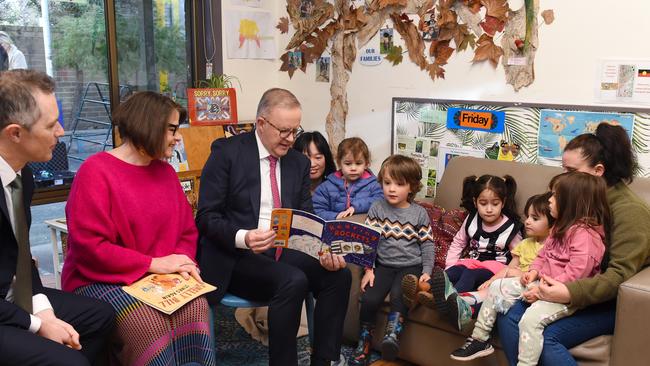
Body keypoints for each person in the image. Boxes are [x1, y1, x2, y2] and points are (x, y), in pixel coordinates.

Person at [196, 88, 352, 366]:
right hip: (237, 256)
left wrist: (324, 249)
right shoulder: (227, 154)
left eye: (295, 130)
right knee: (293, 281)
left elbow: (306, 216)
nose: (291, 139)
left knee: (338, 276)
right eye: (284, 131)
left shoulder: (297, 163)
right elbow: (206, 217)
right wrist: (244, 237)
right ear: (261, 124)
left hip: (283, 251)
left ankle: (324, 361)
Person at [61, 91, 215, 366]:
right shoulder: (95, 172)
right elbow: (90, 248)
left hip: (156, 275)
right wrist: (154, 264)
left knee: (197, 309)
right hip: (100, 278)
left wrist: (179, 262)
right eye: (172, 129)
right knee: (147, 324)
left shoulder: (165, 172)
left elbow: (186, 232)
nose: (178, 137)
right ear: (149, 126)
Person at [496, 123, 650, 366]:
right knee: (506, 313)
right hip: (565, 283)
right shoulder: (574, 199)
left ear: (598, 170)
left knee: (544, 335)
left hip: (608, 301)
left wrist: (569, 292)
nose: (564, 177)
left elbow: (619, 276)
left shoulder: (630, 212)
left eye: (570, 170)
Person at [0, 69, 114, 365]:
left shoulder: (22, 173)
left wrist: (44, 311)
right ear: (15, 133)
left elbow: (21, 257)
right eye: (51, 125)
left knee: (100, 318)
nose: (61, 131)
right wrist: (38, 325)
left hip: (15, 295)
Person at [451, 172, 609, 364]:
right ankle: (480, 339)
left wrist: (541, 291)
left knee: (529, 319)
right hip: (541, 283)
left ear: (572, 202)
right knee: (497, 286)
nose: (549, 200)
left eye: (555, 196)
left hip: (564, 294)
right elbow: (543, 255)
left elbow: (576, 273)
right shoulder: (559, 228)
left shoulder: (585, 236)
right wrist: (533, 271)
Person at [348, 155, 435, 366]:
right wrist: (369, 269)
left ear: (412, 187)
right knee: (369, 299)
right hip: (384, 266)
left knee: (399, 295)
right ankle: (364, 343)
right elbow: (368, 242)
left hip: (410, 267)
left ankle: (391, 337)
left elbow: (427, 245)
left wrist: (427, 270)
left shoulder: (419, 214)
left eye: (399, 184)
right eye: (387, 183)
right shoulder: (377, 208)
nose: (392, 189)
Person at [417, 174, 523, 330]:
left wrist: (507, 274)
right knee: (454, 271)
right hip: (471, 262)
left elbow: (520, 256)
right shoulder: (471, 220)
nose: (488, 209)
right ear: (475, 202)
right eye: (483, 203)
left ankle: (454, 300)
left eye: (495, 204)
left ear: (503, 202)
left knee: (469, 274)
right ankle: (425, 289)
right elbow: (458, 242)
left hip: (494, 270)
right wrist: (450, 266)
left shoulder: (511, 227)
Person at [312, 137, 384, 220]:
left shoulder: (374, 185)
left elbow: (380, 200)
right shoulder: (326, 187)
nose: (353, 168)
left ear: (366, 164)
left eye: (358, 163)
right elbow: (317, 210)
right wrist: (336, 216)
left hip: (363, 229)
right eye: (348, 164)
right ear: (339, 163)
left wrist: (356, 207)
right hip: (336, 229)